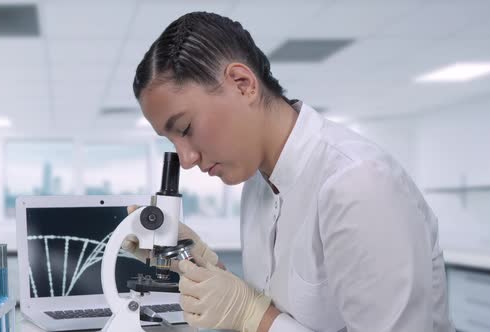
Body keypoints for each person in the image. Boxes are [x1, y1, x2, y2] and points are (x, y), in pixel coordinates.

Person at [123, 11, 455, 332]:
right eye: (171, 140)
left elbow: (258, 316)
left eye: (186, 127)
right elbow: (279, 310)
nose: (186, 158)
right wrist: (205, 271)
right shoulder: (258, 185)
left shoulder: (359, 184)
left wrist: (249, 315)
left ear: (242, 84)